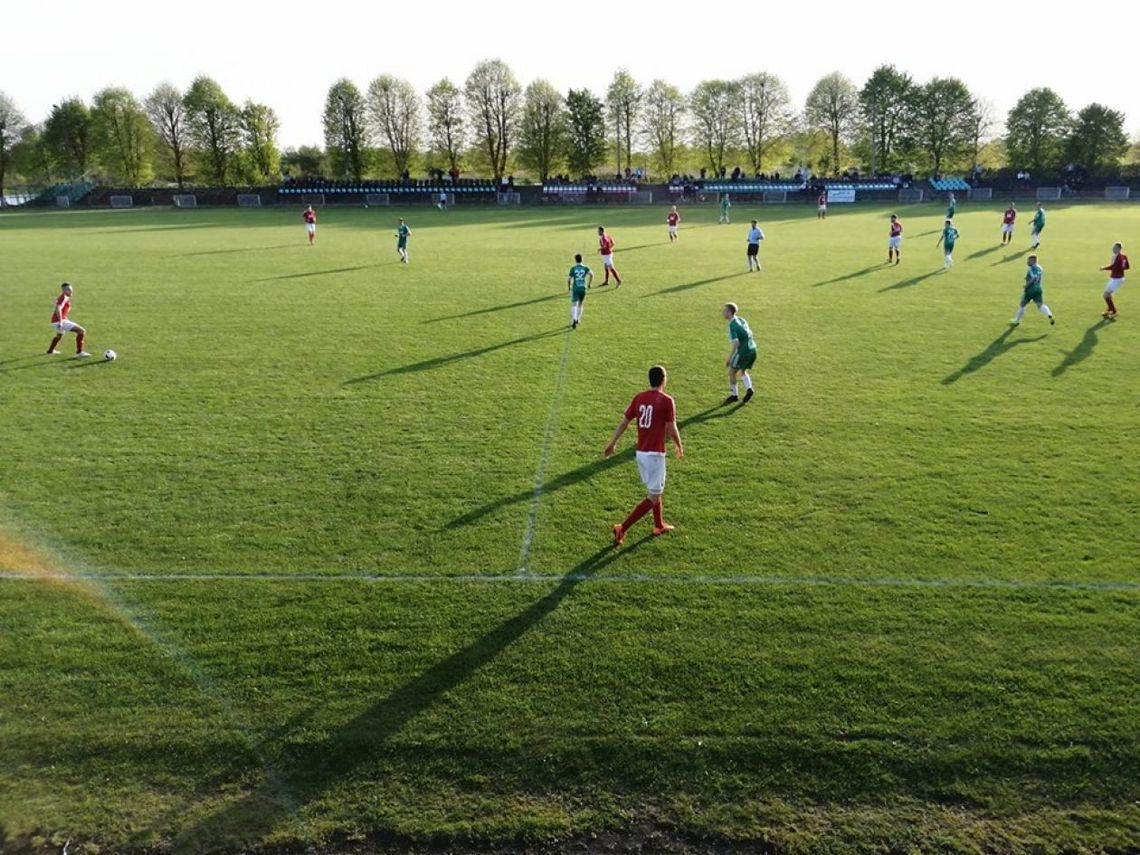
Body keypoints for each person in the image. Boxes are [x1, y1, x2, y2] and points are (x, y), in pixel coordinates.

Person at [604, 365, 684, 545]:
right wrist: (679, 446)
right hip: (655, 455)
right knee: (653, 496)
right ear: (664, 380)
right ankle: (622, 528)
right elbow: (672, 428)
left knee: (655, 489)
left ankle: (658, 525)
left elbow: (624, 422)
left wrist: (612, 443)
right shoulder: (667, 400)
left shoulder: (639, 398)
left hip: (641, 453)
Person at [722, 302, 756, 404]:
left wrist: (729, 358)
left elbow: (736, 344)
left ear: (729, 312)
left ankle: (734, 395)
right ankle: (749, 388)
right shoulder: (741, 319)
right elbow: (750, 333)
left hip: (743, 351)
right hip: (752, 348)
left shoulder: (732, 325)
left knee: (732, 372)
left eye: (725, 310)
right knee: (742, 370)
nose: (723, 312)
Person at [46, 282, 89, 357]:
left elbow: (61, 309)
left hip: (56, 320)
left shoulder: (63, 297)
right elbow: (58, 308)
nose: (71, 291)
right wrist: (60, 321)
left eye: (71, 289)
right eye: (68, 289)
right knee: (81, 331)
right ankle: (79, 352)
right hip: (59, 321)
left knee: (59, 335)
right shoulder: (63, 297)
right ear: (63, 290)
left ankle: (50, 350)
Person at [1011, 255, 1054, 326]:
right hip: (1039, 289)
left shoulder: (1031, 268)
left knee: (1022, 304)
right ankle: (1049, 314)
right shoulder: (1040, 268)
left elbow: (1034, 277)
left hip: (1030, 289)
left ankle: (1017, 321)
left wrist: (1026, 285)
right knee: (1040, 305)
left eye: (1029, 260)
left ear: (1033, 261)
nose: (1027, 262)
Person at [1100, 242, 1130, 319]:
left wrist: (1104, 268)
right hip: (1114, 278)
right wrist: (1120, 268)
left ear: (1120, 249)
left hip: (1117, 279)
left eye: (1116, 248)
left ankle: (1114, 311)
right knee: (1107, 295)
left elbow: (1113, 267)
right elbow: (1127, 267)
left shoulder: (1118, 257)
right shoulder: (1122, 256)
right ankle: (1110, 309)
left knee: (1106, 295)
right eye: (1113, 247)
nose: (1114, 249)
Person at [567, 253, 593, 329]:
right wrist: (589, 284)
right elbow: (592, 274)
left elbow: (568, 279)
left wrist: (569, 287)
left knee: (574, 304)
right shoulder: (585, 268)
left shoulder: (573, 268)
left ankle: (574, 319)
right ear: (582, 259)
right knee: (580, 304)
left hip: (575, 288)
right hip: (583, 288)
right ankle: (578, 319)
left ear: (575, 260)